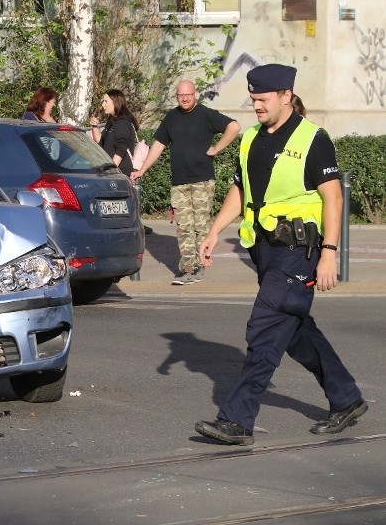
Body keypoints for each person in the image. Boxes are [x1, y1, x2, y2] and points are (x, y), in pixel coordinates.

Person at [194, 64, 367, 446]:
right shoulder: (251, 138)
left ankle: (237, 419)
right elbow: (242, 191)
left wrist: (329, 253)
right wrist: (212, 231)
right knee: (296, 331)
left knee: (265, 329)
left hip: (299, 251)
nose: (255, 105)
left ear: (286, 96)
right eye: (253, 98)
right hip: (264, 252)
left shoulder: (312, 139)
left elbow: (333, 197)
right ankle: (347, 398)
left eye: (262, 99)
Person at [131, 80, 241, 285]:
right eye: (181, 95)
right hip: (179, 183)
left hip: (202, 181)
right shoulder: (171, 117)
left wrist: (217, 149)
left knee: (200, 225)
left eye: (188, 94)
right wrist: (142, 170)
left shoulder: (206, 114)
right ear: (177, 97)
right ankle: (188, 268)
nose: (185, 98)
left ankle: (199, 266)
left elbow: (234, 127)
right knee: (184, 227)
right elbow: (158, 145)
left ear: (195, 94)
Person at [90, 89, 139, 175]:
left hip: (120, 173)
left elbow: (121, 149)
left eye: (106, 101)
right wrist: (95, 126)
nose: (103, 105)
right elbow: (101, 142)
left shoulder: (122, 122)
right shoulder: (112, 121)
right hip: (112, 172)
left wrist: (110, 169)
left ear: (115, 102)